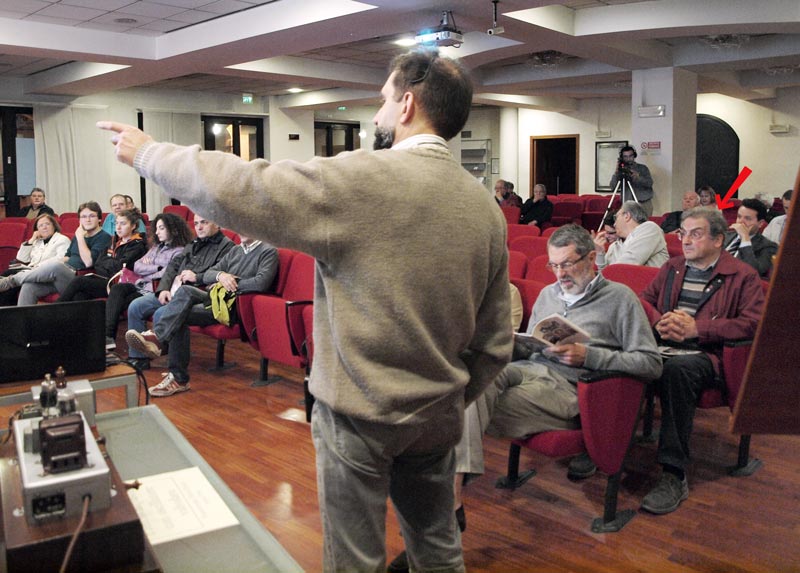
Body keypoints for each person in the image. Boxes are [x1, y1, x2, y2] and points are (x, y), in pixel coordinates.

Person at [99, 48, 512, 573]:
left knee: (353, 560)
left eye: (384, 101)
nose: (379, 115)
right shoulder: (484, 208)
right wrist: (448, 394)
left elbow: (249, 187)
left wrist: (149, 155)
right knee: (437, 550)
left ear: (408, 104)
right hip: (436, 415)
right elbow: (496, 342)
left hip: (359, 416)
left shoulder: (368, 179)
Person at [448, 225, 661, 532]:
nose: (559, 274)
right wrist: (510, 341)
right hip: (531, 370)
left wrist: (590, 356)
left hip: (573, 389)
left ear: (591, 258)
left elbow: (651, 363)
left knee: (464, 407)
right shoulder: (549, 294)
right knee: (467, 383)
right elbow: (532, 347)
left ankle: (449, 502)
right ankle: (451, 501)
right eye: (554, 265)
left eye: (567, 264)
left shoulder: (620, 298)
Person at [639, 207, 764, 514]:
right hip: (665, 343)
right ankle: (602, 447)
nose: (686, 240)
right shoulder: (673, 267)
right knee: (619, 355)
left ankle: (673, 474)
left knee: (677, 370)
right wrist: (658, 321)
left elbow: (754, 323)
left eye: (696, 234)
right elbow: (644, 299)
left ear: (719, 239)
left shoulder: (742, 275)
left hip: (711, 356)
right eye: (683, 233)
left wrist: (699, 328)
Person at [126, 235, 278, 397]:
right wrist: (221, 276)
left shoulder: (268, 251)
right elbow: (208, 274)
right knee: (185, 292)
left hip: (234, 306)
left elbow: (260, 283)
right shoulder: (236, 250)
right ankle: (159, 342)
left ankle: (174, 368)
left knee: (179, 316)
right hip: (216, 298)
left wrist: (232, 283)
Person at [123, 214, 234, 370]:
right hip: (174, 290)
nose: (199, 227)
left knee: (162, 312)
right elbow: (173, 267)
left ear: (217, 224)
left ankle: (171, 365)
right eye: (196, 223)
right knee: (136, 306)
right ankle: (139, 357)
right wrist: (163, 289)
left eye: (204, 222)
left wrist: (197, 277)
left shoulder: (227, 247)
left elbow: (218, 276)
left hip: (197, 294)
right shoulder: (193, 243)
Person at [104, 212, 193, 344]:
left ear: (174, 230)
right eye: (156, 229)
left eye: (161, 228)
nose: (157, 232)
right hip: (141, 285)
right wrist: (156, 268)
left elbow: (168, 273)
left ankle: (121, 341)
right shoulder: (156, 248)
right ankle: (108, 336)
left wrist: (149, 269)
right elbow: (137, 265)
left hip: (154, 289)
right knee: (117, 289)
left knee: (121, 303)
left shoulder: (179, 251)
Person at [7, 201, 112, 306]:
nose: (87, 220)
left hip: (80, 279)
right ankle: (24, 321)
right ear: (80, 220)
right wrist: (44, 269)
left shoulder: (103, 237)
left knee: (56, 267)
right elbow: (67, 257)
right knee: (29, 286)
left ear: (99, 219)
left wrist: (80, 237)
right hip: (64, 274)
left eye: (92, 216)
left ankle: (12, 280)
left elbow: (88, 262)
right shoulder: (78, 236)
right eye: (84, 217)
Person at [58, 209, 147, 302]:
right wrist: (111, 263)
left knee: (79, 281)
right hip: (104, 279)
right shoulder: (114, 241)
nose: (118, 227)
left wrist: (108, 262)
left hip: (120, 283)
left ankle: (54, 309)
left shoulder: (137, 244)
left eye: (123, 224)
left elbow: (121, 267)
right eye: (116, 223)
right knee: (80, 295)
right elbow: (98, 263)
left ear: (133, 226)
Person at [0, 213, 70, 305]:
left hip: (49, 274)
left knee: (9, 277)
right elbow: (21, 258)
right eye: (41, 225)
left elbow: (61, 260)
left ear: (54, 225)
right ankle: (7, 314)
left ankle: (7, 310)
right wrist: (32, 239)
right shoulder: (37, 241)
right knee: (10, 275)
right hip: (32, 272)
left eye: (47, 224)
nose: (44, 227)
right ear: (37, 230)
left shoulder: (62, 239)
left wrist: (38, 267)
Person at [592, 201, 668, 269]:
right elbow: (603, 276)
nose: (614, 224)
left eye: (616, 217)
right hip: (620, 283)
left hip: (647, 283)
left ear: (627, 216)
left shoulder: (650, 229)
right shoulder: (614, 246)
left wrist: (610, 275)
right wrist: (600, 253)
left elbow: (628, 265)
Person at [723, 197, 777, 278]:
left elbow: (754, 272)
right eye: (739, 217)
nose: (741, 222)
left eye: (747, 218)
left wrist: (745, 239)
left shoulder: (768, 246)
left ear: (760, 223)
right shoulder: (726, 236)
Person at [609, 146, 654, 216]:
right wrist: (616, 172)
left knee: (643, 225)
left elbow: (649, 183)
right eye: (625, 157)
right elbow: (613, 187)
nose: (628, 159)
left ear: (634, 156)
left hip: (643, 203)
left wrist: (638, 177)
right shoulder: (620, 171)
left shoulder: (642, 168)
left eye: (630, 156)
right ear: (622, 158)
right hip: (627, 204)